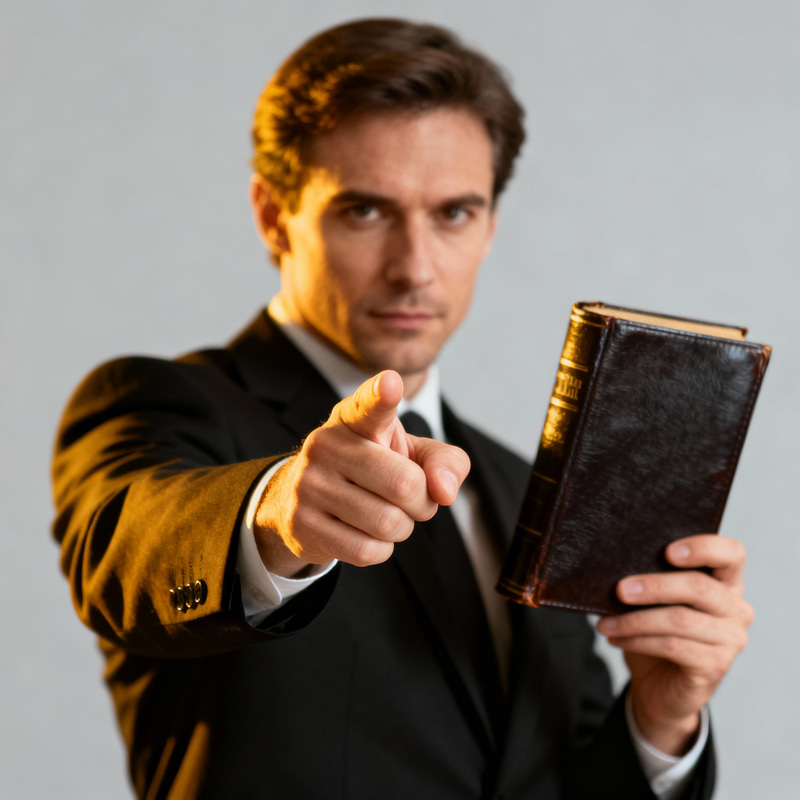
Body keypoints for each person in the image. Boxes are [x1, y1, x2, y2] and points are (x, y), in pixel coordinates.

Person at [51, 18, 752, 800]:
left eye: (453, 213)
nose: (415, 268)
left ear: (489, 227)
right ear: (273, 216)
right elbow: (125, 560)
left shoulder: (528, 491)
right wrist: (274, 515)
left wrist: (661, 723)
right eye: (365, 211)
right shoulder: (164, 403)